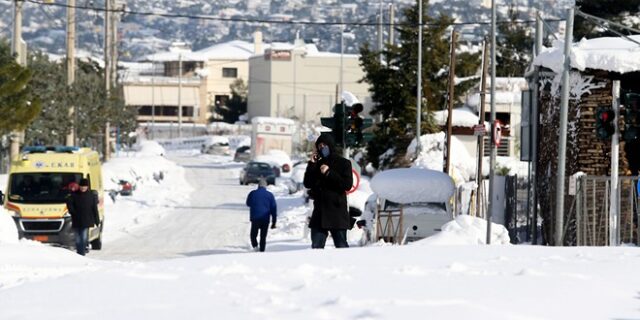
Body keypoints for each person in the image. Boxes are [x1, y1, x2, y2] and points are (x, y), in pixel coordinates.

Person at [303, 134, 353, 249]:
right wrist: (311, 164)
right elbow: (307, 183)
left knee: (341, 246)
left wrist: (329, 173)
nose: (322, 148)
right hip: (319, 213)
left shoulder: (344, 163)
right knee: (316, 246)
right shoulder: (317, 164)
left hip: (337, 213)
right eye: (319, 146)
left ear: (330, 146)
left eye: (324, 145)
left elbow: (347, 185)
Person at [66, 178, 100, 256]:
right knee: (77, 238)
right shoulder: (74, 195)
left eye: (84, 186)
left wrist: (97, 220)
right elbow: (69, 205)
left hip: (87, 220)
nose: (83, 188)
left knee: (84, 237)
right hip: (77, 219)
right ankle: (79, 252)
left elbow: (94, 209)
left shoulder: (91, 196)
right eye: (81, 186)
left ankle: (82, 253)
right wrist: (73, 212)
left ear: (87, 187)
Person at [245, 178, 277, 252]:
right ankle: (262, 251)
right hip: (265, 219)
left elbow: (248, 203)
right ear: (265, 186)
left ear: (258, 185)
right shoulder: (270, 195)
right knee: (263, 236)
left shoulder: (252, 193)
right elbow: (273, 209)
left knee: (253, 234)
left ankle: (255, 246)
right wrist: (274, 222)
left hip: (255, 218)